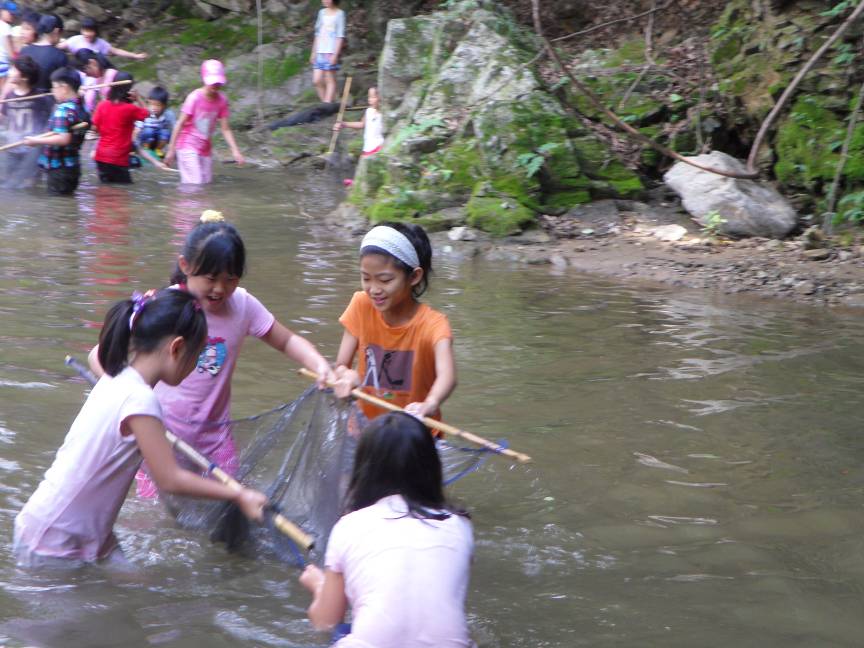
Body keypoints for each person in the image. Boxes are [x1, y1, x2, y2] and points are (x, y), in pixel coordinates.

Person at [89, 211, 338, 498]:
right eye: (211, 278)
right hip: (161, 436)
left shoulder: (243, 305)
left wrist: (321, 366)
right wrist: (129, 398)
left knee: (230, 502)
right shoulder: (166, 306)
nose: (220, 289)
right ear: (186, 266)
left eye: (230, 279)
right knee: (156, 518)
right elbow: (100, 356)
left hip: (215, 438)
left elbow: (287, 340)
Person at [13, 288, 268, 566]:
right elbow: (170, 480)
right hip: (54, 544)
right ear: (177, 348)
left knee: (141, 589)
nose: (195, 366)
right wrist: (238, 493)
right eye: (197, 355)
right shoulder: (141, 400)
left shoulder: (116, 376)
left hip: (82, 535)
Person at [299, 412, 475, 647]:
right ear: (431, 467)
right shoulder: (460, 525)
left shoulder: (349, 526)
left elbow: (325, 622)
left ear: (365, 470)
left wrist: (319, 585)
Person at [334, 222, 457, 421]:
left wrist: (430, 404)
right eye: (366, 278)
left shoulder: (433, 325)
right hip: (366, 427)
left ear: (414, 276)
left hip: (413, 433)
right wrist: (345, 376)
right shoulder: (361, 305)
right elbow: (341, 364)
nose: (374, 289)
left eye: (385, 280)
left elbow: (447, 377)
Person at [164, 60, 244, 184]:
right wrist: (171, 150)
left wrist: (235, 150)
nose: (215, 86)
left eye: (218, 83)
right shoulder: (194, 98)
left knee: (206, 185)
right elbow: (179, 124)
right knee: (195, 184)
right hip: (187, 145)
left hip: (205, 147)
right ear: (204, 79)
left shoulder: (222, 100)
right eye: (212, 82)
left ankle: (187, 203)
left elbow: (225, 128)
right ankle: (184, 203)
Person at [25, 66, 87, 196]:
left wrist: (36, 140)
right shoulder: (81, 107)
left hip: (59, 169)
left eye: (54, 87)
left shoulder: (63, 109)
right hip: (73, 166)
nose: (52, 91)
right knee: (67, 202)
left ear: (64, 88)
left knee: (57, 199)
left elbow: (63, 138)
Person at [0, 55, 53, 189]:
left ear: (24, 77)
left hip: (31, 149)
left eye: (13, 69)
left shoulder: (40, 98)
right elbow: (3, 117)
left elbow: (53, 119)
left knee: (29, 187)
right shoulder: (9, 96)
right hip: (12, 147)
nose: (10, 72)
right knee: (9, 185)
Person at [92, 71, 149, 183]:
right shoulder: (130, 109)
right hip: (118, 158)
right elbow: (147, 114)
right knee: (123, 193)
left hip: (101, 156)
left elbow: (95, 128)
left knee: (106, 191)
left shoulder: (102, 105)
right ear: (128, 91)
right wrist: (138, 99)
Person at [59, 16, 147, 60]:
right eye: (84, 30)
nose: (86, 34)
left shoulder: (101, 43)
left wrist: (135, 56)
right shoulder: (75, 40)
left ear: (96, 32)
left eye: (90, 31)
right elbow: (59, 46)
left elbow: (116, 51)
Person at [19, 13, 67, 93]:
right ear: (56, 31)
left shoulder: (24, 51)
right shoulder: (60, 56)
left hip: (26, 99)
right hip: (49, 101)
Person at [333, 86, 383, 158]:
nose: (370, 100)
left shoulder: (382, 113)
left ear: (380, 98)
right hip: (367, 148)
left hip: (378, 147)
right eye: (369, 97)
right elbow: (362, 124)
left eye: (373, 97)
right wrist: (344, 124)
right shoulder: (369, 111)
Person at [309, 0, 344, 103]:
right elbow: (318, 33)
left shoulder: (340, 14)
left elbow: (340, 36)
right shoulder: (322, 13)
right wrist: (313, 51)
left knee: (329, 78)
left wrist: (335, 54)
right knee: (317, 80)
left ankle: (327, 103)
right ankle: (325, 103)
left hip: (330, 50)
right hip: (320, 50)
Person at [134, 85, 175, 167]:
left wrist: (172, 150)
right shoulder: (145, 112)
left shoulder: (168, 115)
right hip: (145, 139)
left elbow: (174, 131)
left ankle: (158, 150)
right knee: (149, 131)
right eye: (152, 104)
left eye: (158, 105)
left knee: (165, 132)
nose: (154, 108)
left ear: (164, 106)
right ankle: (146, 150)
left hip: (158, 140)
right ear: (148, 102)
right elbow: (137, 128)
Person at [75, 48, 116, 114]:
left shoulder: (112, 74)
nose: (87, 75)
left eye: (85, 71)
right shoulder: (98, 78)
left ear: (92, 62)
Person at [0, 1, 18, 96]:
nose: (12, 15)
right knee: (4, 93)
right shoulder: (6, 27)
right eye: (10, 13)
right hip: (3, 64)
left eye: (14, 14)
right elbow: (10, 51)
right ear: (1, 11)